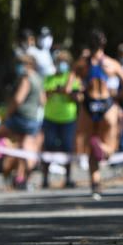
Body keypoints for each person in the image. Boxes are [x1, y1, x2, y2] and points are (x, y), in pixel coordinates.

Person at [74, 29, 123, 199]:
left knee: (91, 150)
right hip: (106, 105)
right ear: (104, 44)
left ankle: (95, 185)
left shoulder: (82, 63)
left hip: (89, 105)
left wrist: (80, 94)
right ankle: (102, 147)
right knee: (110, 150)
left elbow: (69, 88)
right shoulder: (111, 64)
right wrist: (117, 98)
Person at [0, 54, 45, 190]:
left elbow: (17, 100)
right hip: (33, 119)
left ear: (28, 65)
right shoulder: (38, 79)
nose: (19, 67)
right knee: (24, 147)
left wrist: (6, 115)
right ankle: (22, 178)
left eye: (21, 64)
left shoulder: (26, 78)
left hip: (20, 118)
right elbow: (43, 100)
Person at [41, 49, 82, 189]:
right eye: (59, 62)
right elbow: (45, 94)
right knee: (48, 147)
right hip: (50, 118)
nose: (61, 65)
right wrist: (57, 91)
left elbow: (77, 96)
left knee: (67, 148)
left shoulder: (72, 79)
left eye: (64, 62)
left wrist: (68, 92)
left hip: (68, 118)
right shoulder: (49, 78)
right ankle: (45, 179)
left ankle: (68, 178)